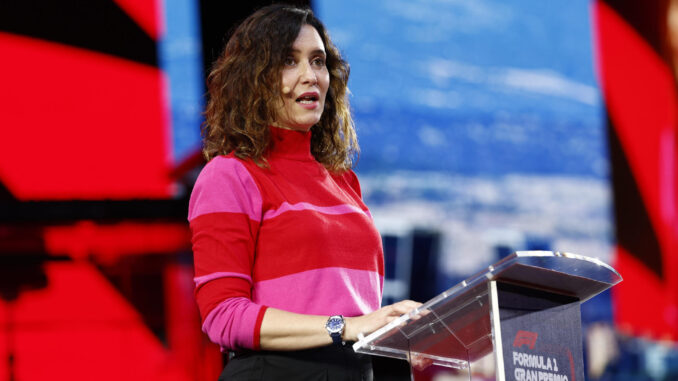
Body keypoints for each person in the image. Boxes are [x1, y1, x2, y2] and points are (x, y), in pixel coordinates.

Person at [189, 4, 420, 380]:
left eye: (318, 61)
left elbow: (357, 309)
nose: (310, 75)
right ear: (254, 77)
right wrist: (343, 326)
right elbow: (223, 316)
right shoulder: (229, 176)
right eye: (288, 61)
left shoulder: (343, 182)